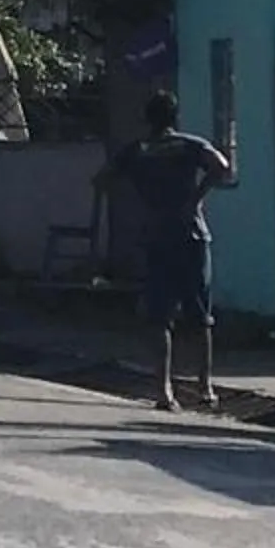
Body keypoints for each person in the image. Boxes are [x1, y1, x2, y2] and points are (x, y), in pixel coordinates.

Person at [100, 88, 235, 411]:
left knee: (159, 316)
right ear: (175, 117)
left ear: (147, 119)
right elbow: (222, 166)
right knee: (200, 316)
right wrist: (195, 198)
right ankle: (205, 388)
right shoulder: (189, 145)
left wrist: (142, 197)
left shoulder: (138, 150)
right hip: (191, 234)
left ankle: (164, 391)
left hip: (157, 236)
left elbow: (102, 180)